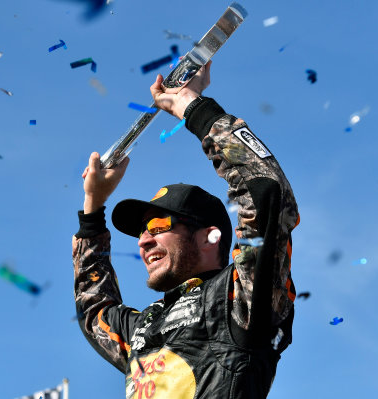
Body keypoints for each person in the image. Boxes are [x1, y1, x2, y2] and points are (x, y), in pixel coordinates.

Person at [72, 61, 299, 399]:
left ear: (210, 236)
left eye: (160, 227)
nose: (144, 240)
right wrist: (92, 208)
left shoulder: (240, 298)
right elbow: (94, 311)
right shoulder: (145, 328)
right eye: (141, 233)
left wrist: (195, 108)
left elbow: (266, 193)